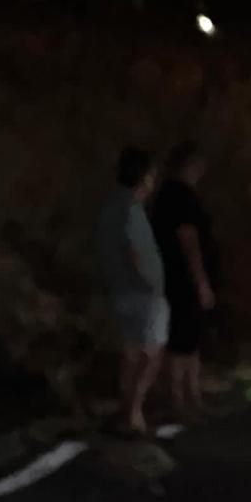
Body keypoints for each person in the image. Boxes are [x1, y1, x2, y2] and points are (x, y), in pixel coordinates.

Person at [95, 146, 166, 436]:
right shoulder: (131, 210)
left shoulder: (111, 206)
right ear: (144, 176)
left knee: (131, 353)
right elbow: (137, 253)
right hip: (142, 293)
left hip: (120, 289)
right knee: (150, 353)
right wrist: (153, 283)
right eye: (151, 174)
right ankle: (134, 410)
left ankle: (128, 409)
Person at [150, 141, 218, 424]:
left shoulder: (165, 194)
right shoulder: (181, 196)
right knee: (181, 342)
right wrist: (201, 281)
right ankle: (180, 401)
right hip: (182, 281)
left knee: (190, 340)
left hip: (172, 277)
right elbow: (188, 239)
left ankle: (192, 398)